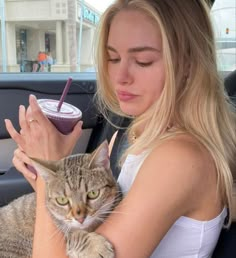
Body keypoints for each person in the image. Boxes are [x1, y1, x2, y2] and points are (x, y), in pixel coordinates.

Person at [5, 0, 236, 257]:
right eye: (112, 57)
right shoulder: (138, 131)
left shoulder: (180, 158)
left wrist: (47, 176)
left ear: (189, 65)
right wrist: (58, 170)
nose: (119, 76)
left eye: (143, 60)